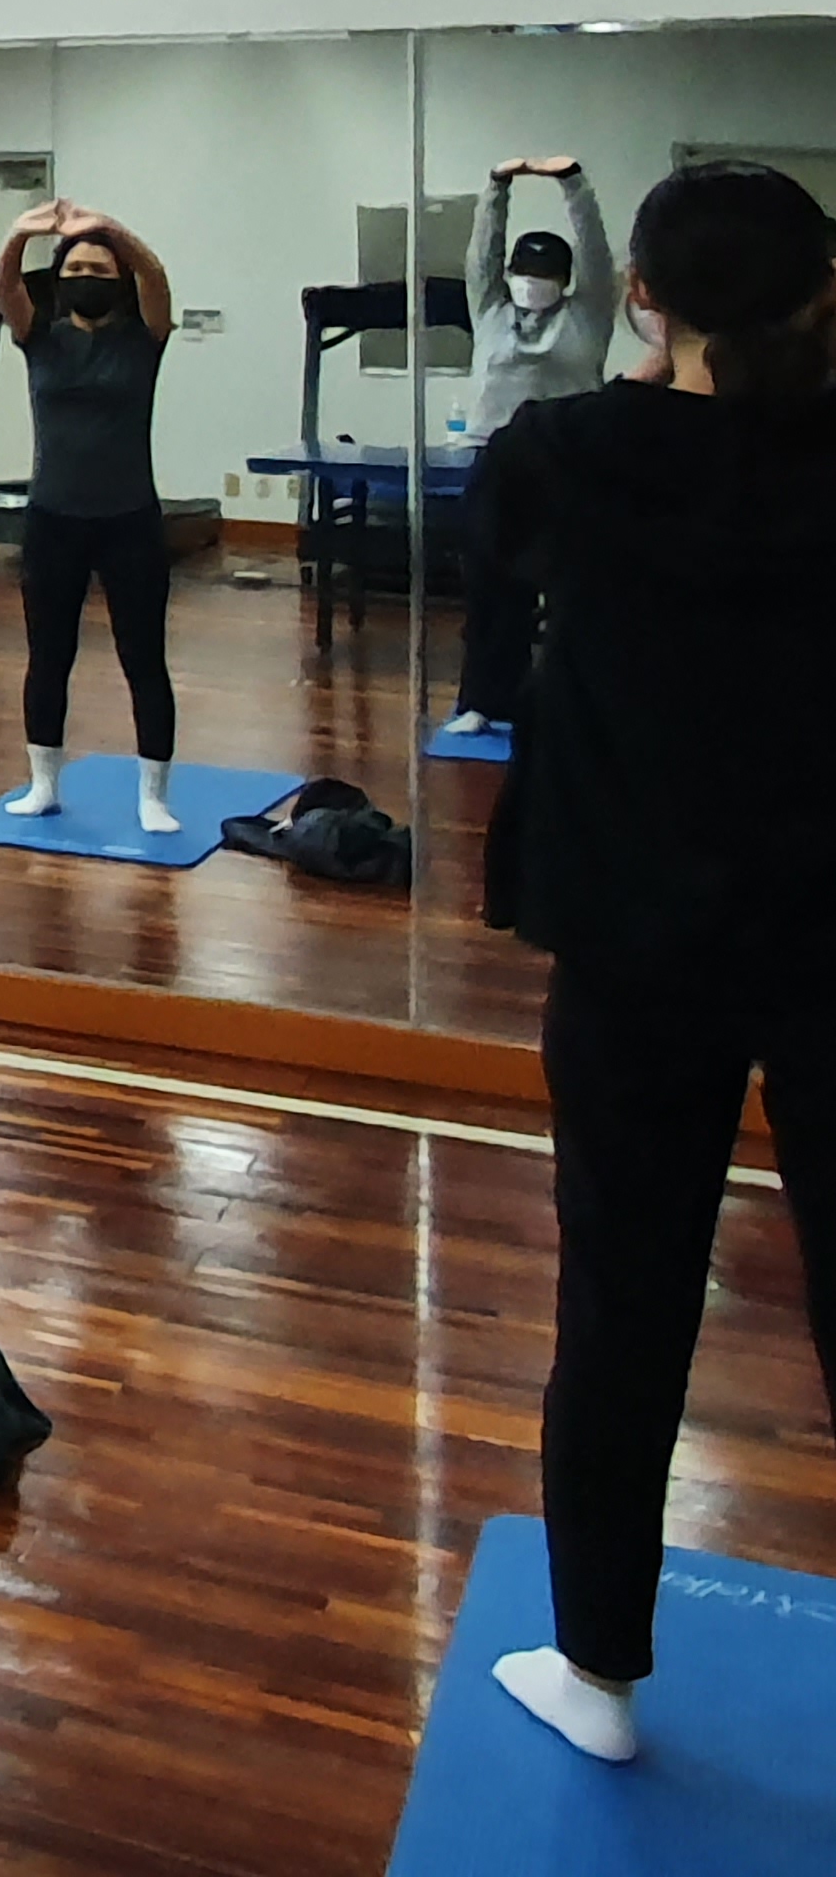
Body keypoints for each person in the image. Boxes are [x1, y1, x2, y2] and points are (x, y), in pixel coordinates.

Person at [472, 159, 836, 1767]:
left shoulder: (572, 451)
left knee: (625, 1305)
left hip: (637, 944)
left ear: (641, 296)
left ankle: (599, 1673)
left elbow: (502, 556)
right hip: (820, 930)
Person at [0, 200, 181, 831]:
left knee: (143, 659)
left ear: (119, 278)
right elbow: (7, 286)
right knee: (49, 656)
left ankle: (153, 796)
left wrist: (110, 231)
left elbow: (156, 278)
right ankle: (44, 784)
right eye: (76, 268)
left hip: (130, 520)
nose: (87, 276)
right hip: (54, 521)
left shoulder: (143, 338)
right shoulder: (40, 338)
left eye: (100, 269)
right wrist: (20, 233)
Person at [445, 153, 614, 741]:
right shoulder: (490, 311)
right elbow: (481, 256)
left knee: (574, 591)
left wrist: (572, 182)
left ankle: (574, 705)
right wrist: (496, 187)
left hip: (569, 459)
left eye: (543, 273)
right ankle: (483, 702)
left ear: (563, 281)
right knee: (491, 594)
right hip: (496, 461)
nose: (530, 280)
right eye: (524, 270)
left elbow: (595, 252)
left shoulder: (587, 316)